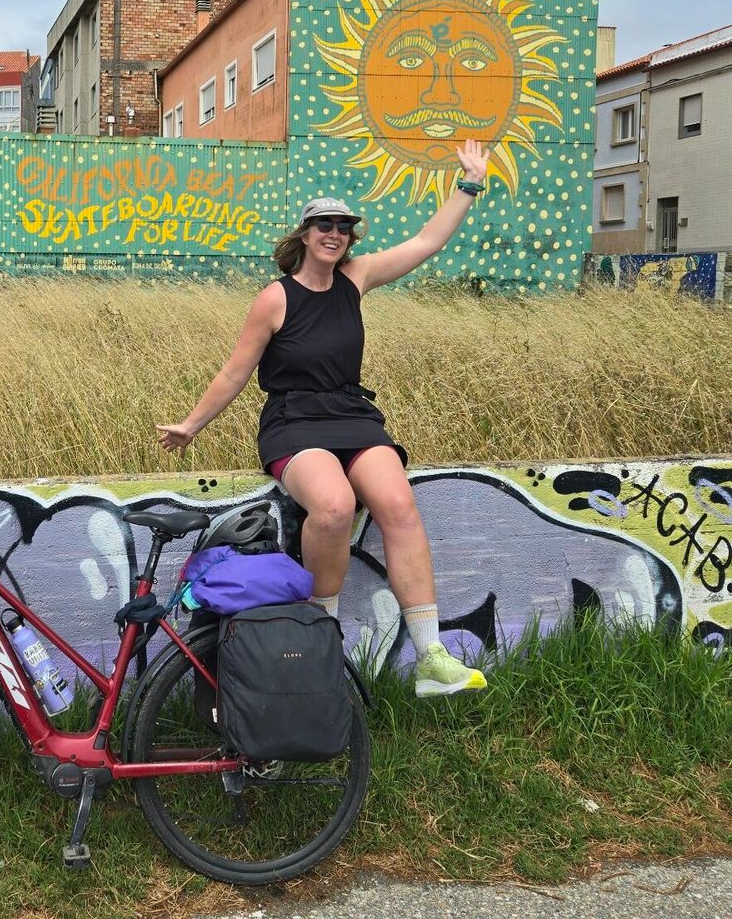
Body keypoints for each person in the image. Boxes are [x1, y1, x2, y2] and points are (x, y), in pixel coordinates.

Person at [157, 140, 491, 697]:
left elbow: (427, 241)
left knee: (398, 504)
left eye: (343, 227)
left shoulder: (356, 278)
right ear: (305, 235)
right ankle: (322, 640)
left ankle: (431, 656)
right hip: (293, 420)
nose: (334, 233)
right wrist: (192, 425)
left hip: (351, 413)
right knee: (333, 507)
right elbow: (235, 373)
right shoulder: (275, 298)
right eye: (324, 225)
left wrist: (469, 185)